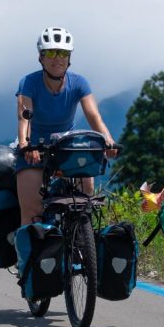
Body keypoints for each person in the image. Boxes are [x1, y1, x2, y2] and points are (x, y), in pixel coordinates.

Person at [15, 26, 117, 226]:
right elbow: (24, 117)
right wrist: (25, 145)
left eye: (63, 53)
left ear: (69, 58)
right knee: (33, 211)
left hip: (66, 147)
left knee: (84, 202)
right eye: (51, 52)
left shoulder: (79, 83)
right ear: (41, 57)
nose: (57, 58)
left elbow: (94, 116)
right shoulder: (29, 82)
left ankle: (83, 243)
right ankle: (29, 255)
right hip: (34, 148)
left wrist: (108, 140)